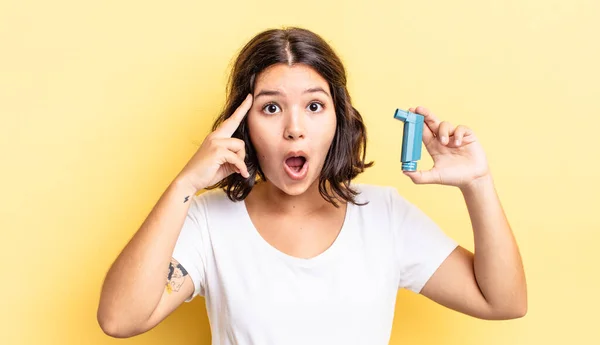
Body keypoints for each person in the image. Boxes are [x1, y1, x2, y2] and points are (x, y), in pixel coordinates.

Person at [97, 27, 527, 344]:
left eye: (315, 105)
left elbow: (503, 302)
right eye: (271, 108)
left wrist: (478, 182)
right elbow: (119, 320)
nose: (294, 129)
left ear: (338, 117)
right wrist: (184, 184)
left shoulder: (385, 216)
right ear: (242, 125)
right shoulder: (207, 222)